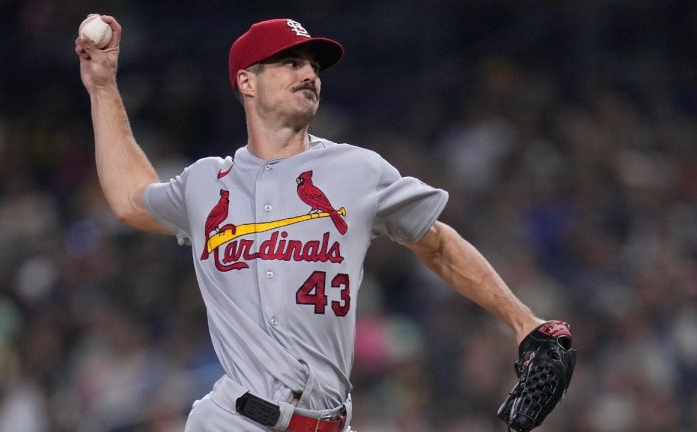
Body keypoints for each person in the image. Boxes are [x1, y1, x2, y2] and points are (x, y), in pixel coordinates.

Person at [75, 16, 548, 432]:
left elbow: (439, 244)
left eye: (314, 66)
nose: (309, 73)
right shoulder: (205, 183)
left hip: (331, 423)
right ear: (247, 81)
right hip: (233, 420)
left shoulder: (358, 170)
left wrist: (524, 320)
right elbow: (130, 201)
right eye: (291, 62)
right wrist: (103, 87)